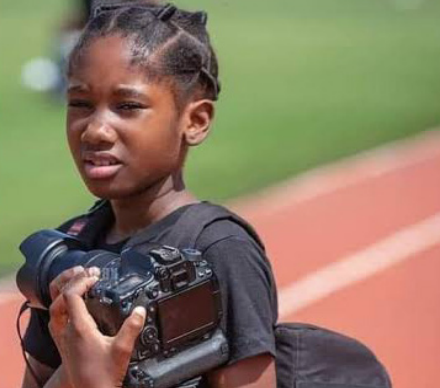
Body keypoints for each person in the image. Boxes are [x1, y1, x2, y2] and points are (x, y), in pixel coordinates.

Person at [20, 2, 278, 388]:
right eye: (79, 104)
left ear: (195, 120)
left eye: (127, 106)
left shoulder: (219, 249)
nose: (95, 130)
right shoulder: (69, 252)